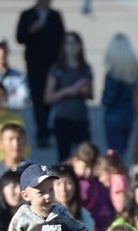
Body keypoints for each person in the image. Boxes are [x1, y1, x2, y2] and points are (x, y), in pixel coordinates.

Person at [45, 32, 93, 160]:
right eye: (68, 43)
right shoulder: (57, 69)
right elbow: (48, 97)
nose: (72, 46)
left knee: (85, 156)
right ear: (63, 46)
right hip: (62, 118)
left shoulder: (86, 68)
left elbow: (91, 95)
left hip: (81, 118)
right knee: (64, 158)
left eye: (75, 43)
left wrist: (84, 90)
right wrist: (67, 91)